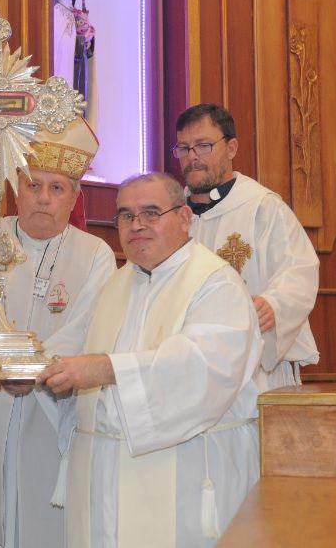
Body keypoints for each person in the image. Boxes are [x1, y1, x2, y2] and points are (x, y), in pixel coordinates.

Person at [37, 172, 262, 548]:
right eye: (125, 215)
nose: (136, 225)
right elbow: (75, 353)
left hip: (184, 477)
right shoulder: (118, 283)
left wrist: (106, 368)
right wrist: (36, 372)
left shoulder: (216, 282)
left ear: (184, 218)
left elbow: (202, 369)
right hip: (105, 478)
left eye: (151, 213)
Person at [0, 117, 116, 548]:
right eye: (33, 185)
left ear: (74, 196)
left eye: (56, 188)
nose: (43, 199)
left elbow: (88, 326)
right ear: (16, 186)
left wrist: (31, 368)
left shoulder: (95, 254)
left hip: (52, 401)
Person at [172, 103, 320, 388]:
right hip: (188, 369)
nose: (192, 158)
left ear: (231, 148)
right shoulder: (170, 216)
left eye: (203, 146)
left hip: (254, 372)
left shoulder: (262, 208)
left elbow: (299, 269)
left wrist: (274, 304)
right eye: (183, 148)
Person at [52, 0, 95, 122]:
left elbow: (81, 48)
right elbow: (59, 43)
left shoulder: (74, 13)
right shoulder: (56, 11)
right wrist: (81, 41)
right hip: (62, 69)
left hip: (77, 68)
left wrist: (88, 40)